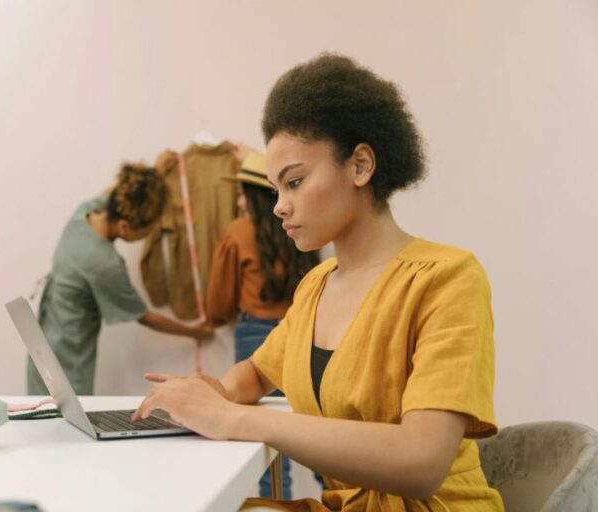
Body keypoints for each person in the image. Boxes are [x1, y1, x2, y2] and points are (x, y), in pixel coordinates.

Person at [133, 53, 504, 512]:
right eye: (275, 191)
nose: (279, 207)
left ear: (361, 165)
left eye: (294, 182)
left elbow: (422, 462)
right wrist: (217, 393)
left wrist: (233, 419)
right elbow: (257, 371)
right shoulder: (316, 285)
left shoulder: (448, 279)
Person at [27, 164, 213, 396]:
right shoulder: (104, 263)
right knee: (66, 419)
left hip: (42, 336)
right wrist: (195, 332)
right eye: (148, 230)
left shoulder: (85, 211)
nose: (150, 234)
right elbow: (144, 316)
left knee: (40, 414)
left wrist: (153, 176)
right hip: (66, 356)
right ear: (125, 227)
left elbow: (115, 192)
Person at [206, 150, 321, 499]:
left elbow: (219, 301)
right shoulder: (304, 231)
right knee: (318, 432)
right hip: (305, 334)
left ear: (253, 196)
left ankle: (276, 506)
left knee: (269, 447)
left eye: (242, 192)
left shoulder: (238, 232)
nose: (238, 199)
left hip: (255, 335)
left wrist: (212, 319)